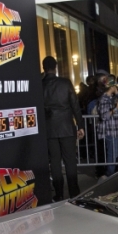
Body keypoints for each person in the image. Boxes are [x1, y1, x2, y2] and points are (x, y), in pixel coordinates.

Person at [41, 56, 84, 201]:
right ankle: (74, 192)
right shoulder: (65, 83)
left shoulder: (40, 85)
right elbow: (75, 105)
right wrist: (80, 125)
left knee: (55, 162)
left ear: (44, 68)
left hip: (50, 128)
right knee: (70, 161)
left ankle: (59, 193)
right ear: (56, 67)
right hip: (67, 127)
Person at [96, 79, 118, 177]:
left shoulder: (111, 97)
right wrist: (116, 108)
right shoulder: (104, 99)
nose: (116, 87)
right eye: (115, 86)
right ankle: (109, 174)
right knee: (111, 155)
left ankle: (111, 173)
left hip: (115, 130)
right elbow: (104, 116)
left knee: (114, 154)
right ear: (111, 87)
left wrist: (117, 93)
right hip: (109, 131)